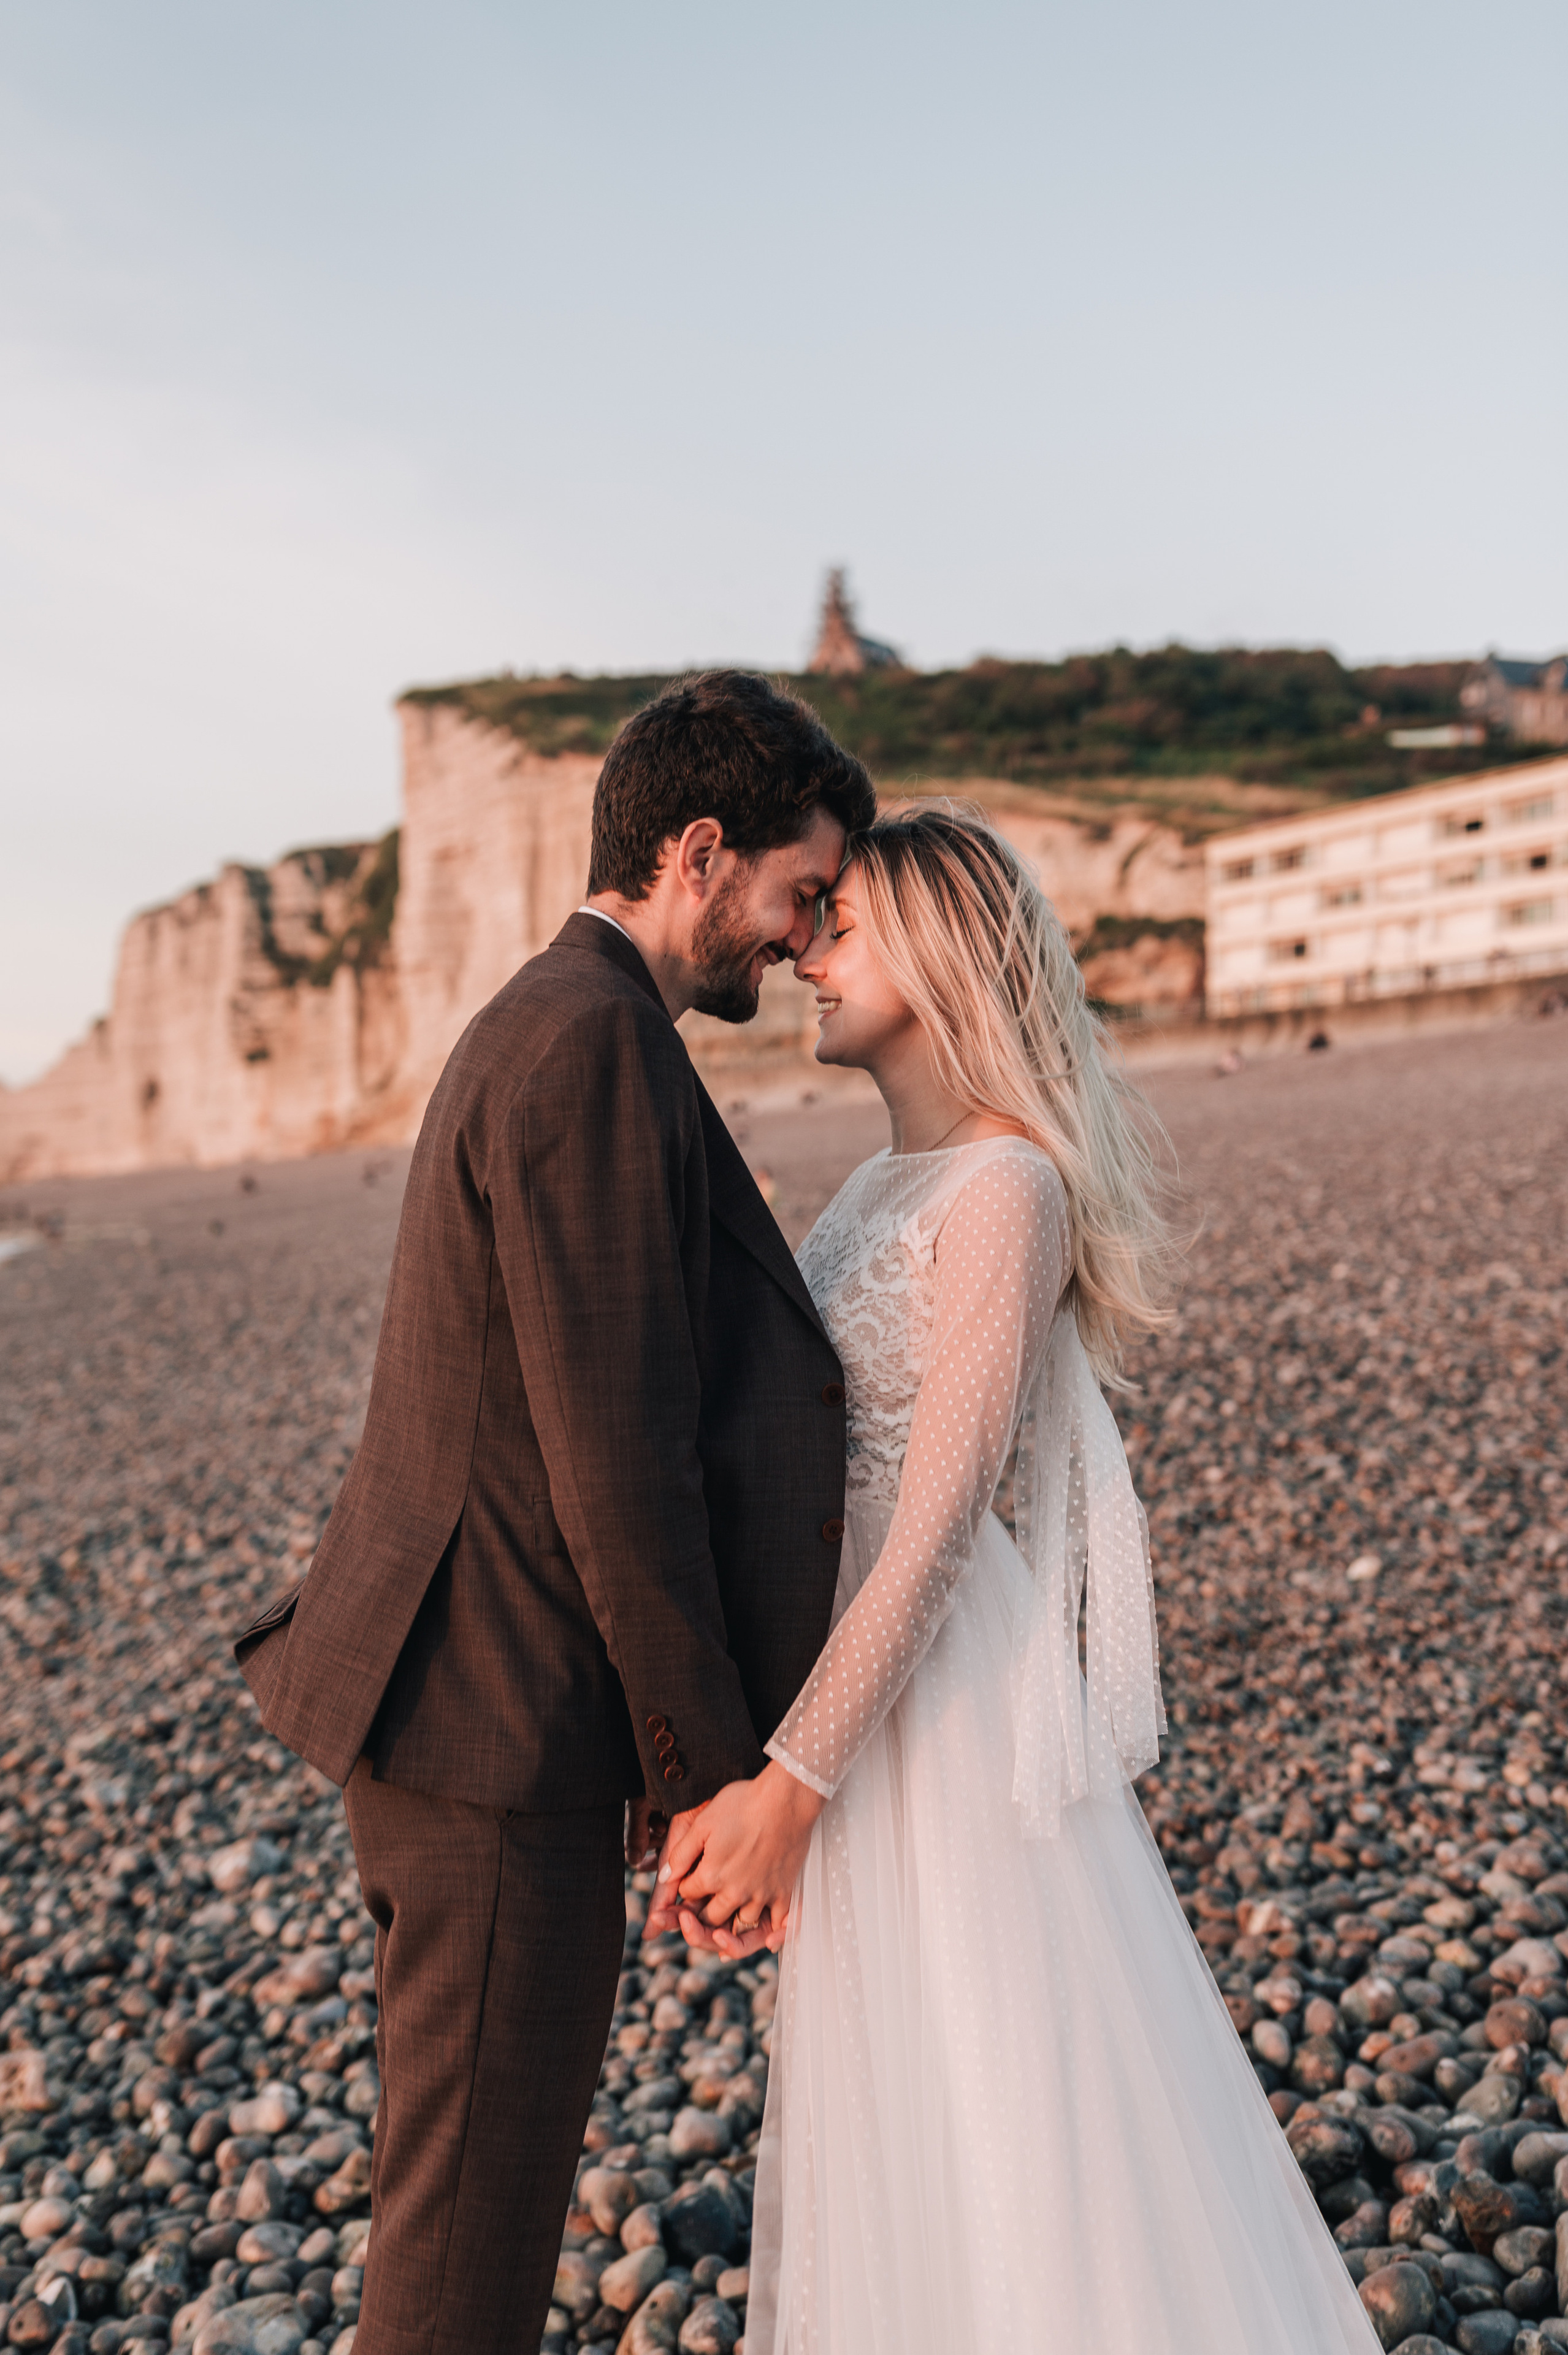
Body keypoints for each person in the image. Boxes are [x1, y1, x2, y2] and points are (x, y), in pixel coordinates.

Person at [649, 806, 1380, 2353]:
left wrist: (790, 1781)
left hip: (929, 1701)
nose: (805, 957)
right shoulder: (867, 1197)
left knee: (996, 2094)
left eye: (839, 927)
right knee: (896, 2095)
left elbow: (929, 1530)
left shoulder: (1007, 1192)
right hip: (850, 1689)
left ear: (939, 947)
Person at [233, 670, 876, 2355]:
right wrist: (709, 1777)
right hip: (493, 1732)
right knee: (461, 2267)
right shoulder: (589, 1045)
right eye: (797, 896)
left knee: (454, 2219)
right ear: (698, 850)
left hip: (460, 1712)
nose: (800, 940)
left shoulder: (566, 1021)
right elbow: (617, 1457)